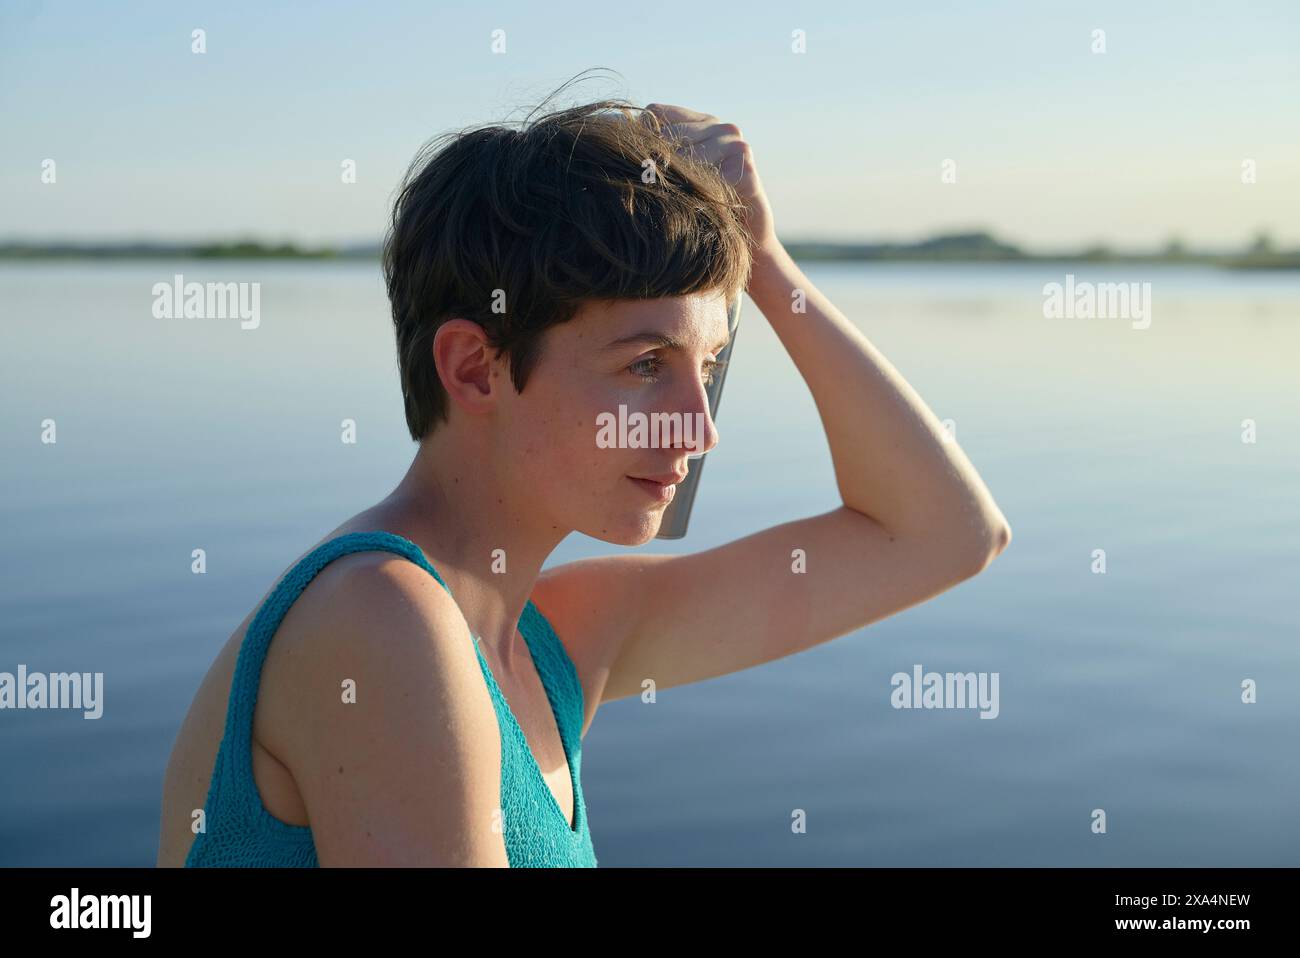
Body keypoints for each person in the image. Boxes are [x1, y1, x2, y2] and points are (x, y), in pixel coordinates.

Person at [157, 78, 1011, 867]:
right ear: (474, 368)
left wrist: (765, 261)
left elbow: (944, 536)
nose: (702, 427)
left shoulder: (554, 639)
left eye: (709, 365)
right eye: (646, 365)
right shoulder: (380, 619)